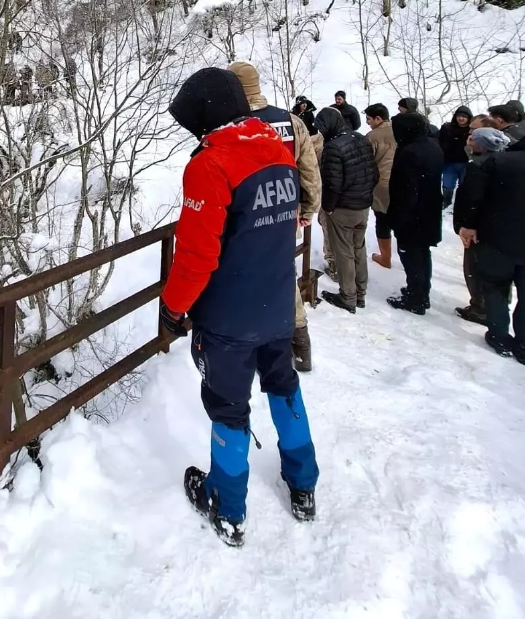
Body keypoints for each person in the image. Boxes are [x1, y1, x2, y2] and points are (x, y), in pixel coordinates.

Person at [161, 67, 320, 546]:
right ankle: (303, 484)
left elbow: (196, 255)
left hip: (229, 316)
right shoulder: (276, 149)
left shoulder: (210, 165)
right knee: (284, 387)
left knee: (229, 407)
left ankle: (227, 506)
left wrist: (172, 309)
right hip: (275, 303)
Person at [228, 61, 322, 373]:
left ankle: (249, 343)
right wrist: (308, 208)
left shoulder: (232, 125)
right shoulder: (291, 121)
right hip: (284, 213)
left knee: (240, 274)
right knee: (282, 272)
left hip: (244, 217)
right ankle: (300, 342)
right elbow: (309, 171)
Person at [453, 131, 525, 365]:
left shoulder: (498, 162)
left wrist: (469, 225)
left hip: (497, 238)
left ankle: (499, 335)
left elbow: (474, 198)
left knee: (495, 287)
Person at [314, 107, 378, 313]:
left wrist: (329, 207)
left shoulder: (332, 147)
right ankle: (360, 292)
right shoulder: (361, 139)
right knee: (358, 248)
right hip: (362, 205)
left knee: (343, 253)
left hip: (342, 208)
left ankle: (348, 296)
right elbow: (373, 172)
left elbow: (332, 183)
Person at [386, 113, 444, 315]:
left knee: (412, 257)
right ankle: (421, 292)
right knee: (422, 254)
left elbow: (407, 190)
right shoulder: (432, 145)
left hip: (412, 215)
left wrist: (400, 217)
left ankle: (415, 299)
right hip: (429, 210)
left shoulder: (410, 152)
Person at [453, 124, 510, 325]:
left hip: (478, 228)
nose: (467, 141)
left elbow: (473, 199)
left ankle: (481, 307)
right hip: (495, 226)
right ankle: (490, 304)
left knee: (475, 268)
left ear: (482, 145)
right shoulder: (503, 163)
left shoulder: (479, 167)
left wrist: (468, 224)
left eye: (472, 139)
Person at [364, 103, 396, 269]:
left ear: (378, 118)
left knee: (382, 221)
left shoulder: (372, 137)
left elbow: (367, 164)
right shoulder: (401, 131)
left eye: (369, 119)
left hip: (381, 184)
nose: (367, 122)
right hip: (402, 182)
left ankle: (385, 257)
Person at [438, 106, 472, 209]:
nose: (461, 118)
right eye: (459, 116)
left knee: (464, 185)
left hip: (465, 162)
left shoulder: (472, 130)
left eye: (464, 117)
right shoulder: (447, 128)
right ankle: (446, 202)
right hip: (449, 162)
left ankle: (461, 204)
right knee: (448, 184)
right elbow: (439, 141)